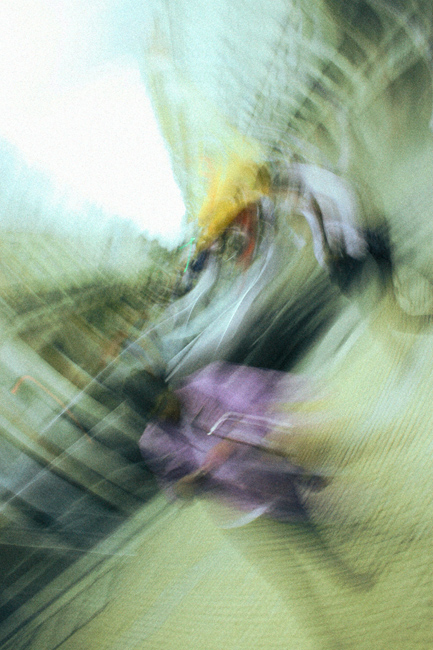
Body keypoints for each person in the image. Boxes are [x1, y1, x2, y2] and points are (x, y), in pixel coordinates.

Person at [122, 362, 328, 523]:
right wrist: (184, 487)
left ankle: (303, 476)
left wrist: (230, 443)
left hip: (271, 468)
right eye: (157, 413)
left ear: (168, 388)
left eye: (165, 402)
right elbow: (172, 488)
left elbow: (256, 407)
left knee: (309, 517)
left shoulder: (206, 385)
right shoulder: (152, 442)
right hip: (241, 502)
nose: (166, 412)